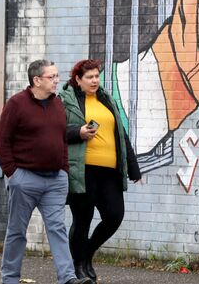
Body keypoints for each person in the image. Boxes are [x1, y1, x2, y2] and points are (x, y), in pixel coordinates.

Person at [0, 59, 93, 284]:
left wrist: (64, 170)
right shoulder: (16, 104)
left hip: (55, 180)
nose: (57, 80)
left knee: (57, 229)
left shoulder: (58, 104)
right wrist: (13, 174)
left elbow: (60, 139)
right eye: (52, 77)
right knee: (17, 232)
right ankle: (10, 279)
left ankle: (67, 278)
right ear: (36, 80)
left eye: (57, 76)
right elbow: (3, 140)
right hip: (25, 180)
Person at [59, 59, 141, 281]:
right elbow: (55, 132)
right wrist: (78, 132)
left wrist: (133, 168)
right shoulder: (66, 101)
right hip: (83, 171)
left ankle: (87, 255)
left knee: (114, 216)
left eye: (97, 76)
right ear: (78, 79)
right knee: (82, 219)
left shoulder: (106, 99)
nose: (95, 80)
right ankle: (78, 267)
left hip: (110, 172)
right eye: (89, 77)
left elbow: (121, 135)